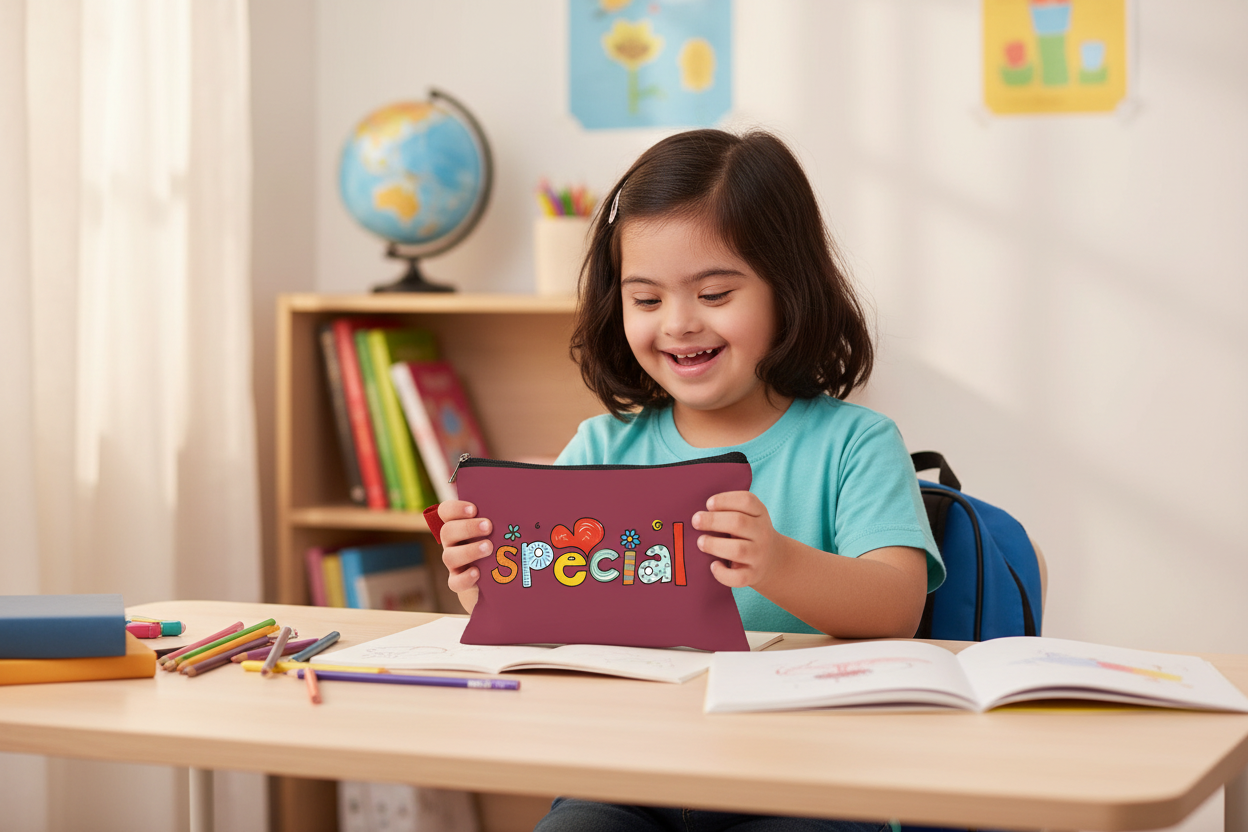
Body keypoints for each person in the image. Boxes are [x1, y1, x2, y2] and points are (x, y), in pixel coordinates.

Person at [436, 129, 945, 832]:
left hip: (812, 781)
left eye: (712, 292)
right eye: (646, 301)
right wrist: (484, 585)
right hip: (626, 775)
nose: (678, 324)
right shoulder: (600, 446)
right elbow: (546, 618)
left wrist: (778, 562)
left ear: (787, 290)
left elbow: (898, 609)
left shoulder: (854, 443)